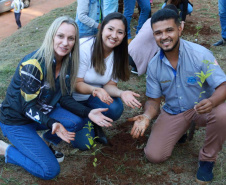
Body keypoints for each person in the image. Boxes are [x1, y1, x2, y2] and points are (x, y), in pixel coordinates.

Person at [0, 16, 113, 180]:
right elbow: (27, 108)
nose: (65, 43)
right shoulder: (33, 64)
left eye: (71, 38)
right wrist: (53, 123)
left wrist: (88, 113)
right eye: (60, 36)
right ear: (51, 36)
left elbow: (65, 98)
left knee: (79, 120)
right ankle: (5, 150)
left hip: (40, 114)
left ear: (75, 41)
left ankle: (45, 141)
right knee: (50, 171)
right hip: (16, 120)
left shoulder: (68, 63)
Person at [128, 8, 226, 184]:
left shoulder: (200, 54)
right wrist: (147, 116)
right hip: (174, 111)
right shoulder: (153, 66)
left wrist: (212, 101)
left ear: (180, 28)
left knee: (223, 113)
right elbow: (153, 100)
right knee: (154, 155)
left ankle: (207, 160)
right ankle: (181, 130)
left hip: (203, 108)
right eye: (158, 33)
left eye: (169, 30)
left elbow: (223, 86)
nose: (164, 36)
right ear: (153, 35)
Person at [73, 12, 142, 145]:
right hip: (72, 101)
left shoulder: (119, 54)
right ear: (102, 28)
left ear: (124, 35)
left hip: (93, 98)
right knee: (84, 144)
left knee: (115, 108)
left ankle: (94, 120)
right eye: (110, 29)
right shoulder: (85, 48)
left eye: (120, 32)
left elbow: (109, 85)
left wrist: (122, 93)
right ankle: (82, 118)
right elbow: (76, 84)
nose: (114, 35)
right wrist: (95, 90)